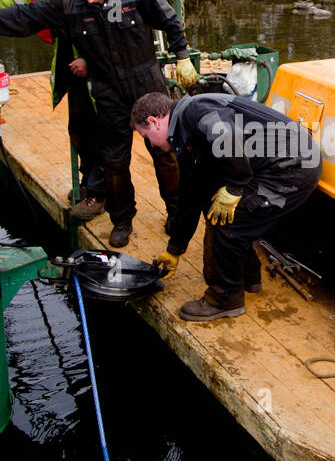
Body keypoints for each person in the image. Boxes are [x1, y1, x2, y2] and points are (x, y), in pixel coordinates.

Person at [0, 0, 199, 248]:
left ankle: (176, 213)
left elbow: (170, 21)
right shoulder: (69, 3)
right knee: (114, 159)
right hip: (108, 89)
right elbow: (24, 18)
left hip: (146, 84)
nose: (91, 0)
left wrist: (183, 56)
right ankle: (122, 219)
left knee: (165, 152)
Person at [131, 91, 322, 321]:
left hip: (292, 168)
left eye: (146, 136)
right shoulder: (183, 133)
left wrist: (235, 187)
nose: (149, 143)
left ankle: (225, 298)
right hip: (273, 166)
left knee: (227, 221)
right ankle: (248, 277)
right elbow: (191, 195)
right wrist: (174, 249)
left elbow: (229, 136)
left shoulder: (194, 113)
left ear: (154, 121)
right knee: (216, 205)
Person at [0, 0, 106, 220]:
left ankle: (99, 192)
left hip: (98, 63)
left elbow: (111, 30)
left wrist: (91, 62)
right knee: (80, 129)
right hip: (70, 62)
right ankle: (89, 183)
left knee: (102, 129)